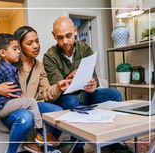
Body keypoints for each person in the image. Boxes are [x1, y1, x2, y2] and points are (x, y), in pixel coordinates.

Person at [0, 26, 72, 153]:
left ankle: (45, 143)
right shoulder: (7, 62)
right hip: (10, 108)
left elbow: (47, 93)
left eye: (37, 41)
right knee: (26, 117)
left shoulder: (39, 66)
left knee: (58, 112)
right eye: (30, 43)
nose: (36, 46)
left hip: (31, 104)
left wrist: (58, 87)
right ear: (20, 46)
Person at [43, 16, 131, 153]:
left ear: (75, 31)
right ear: (54, 36)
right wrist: (71, 77)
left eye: (68, 36)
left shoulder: (85, 49)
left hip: (86, 94)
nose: (65, 41)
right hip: (67, 97)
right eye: (60, 38)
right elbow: (58, 86)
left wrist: (93, 84)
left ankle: (111, 141)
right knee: (73, 101)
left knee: (115, 94)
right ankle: (78, 148)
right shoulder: (49, 56)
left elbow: (93, 76)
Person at [0, 33, 44, 143]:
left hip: (4, 104)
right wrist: (25, 99)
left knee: (28, 103)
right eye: (15, 49)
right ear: (2, 53)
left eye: (18, 48)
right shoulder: (5, 69)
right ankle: (40, 131)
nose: (19, 51)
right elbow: (15, 92)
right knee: (31, 102)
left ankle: (33, 138)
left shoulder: (10, 66)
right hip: (2, 106)